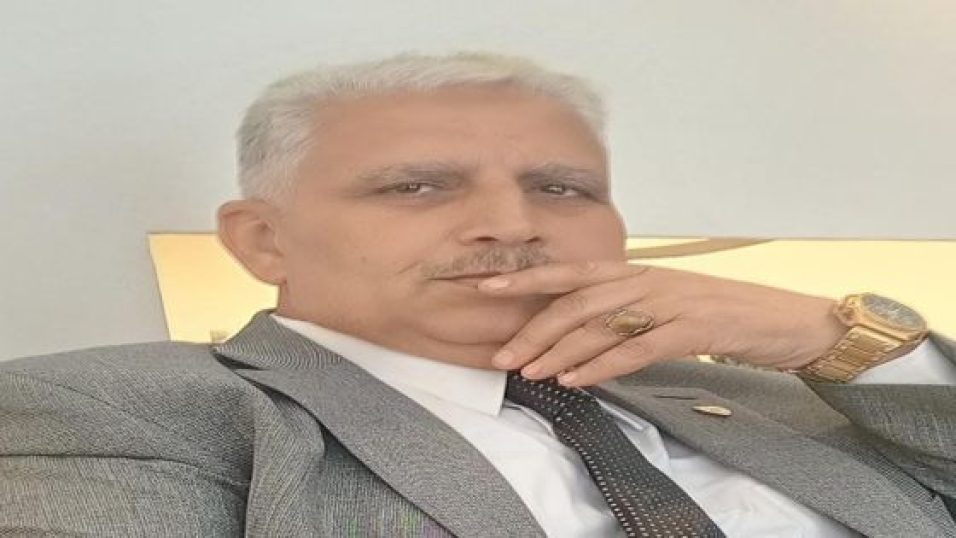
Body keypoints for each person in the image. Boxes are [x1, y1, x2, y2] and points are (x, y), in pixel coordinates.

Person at [1, 52, 954, 538]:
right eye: (417, 186)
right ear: (263, 239)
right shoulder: (114, 408)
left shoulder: (771, 391)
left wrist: (841, 338)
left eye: (563, 189)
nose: (511, 223)